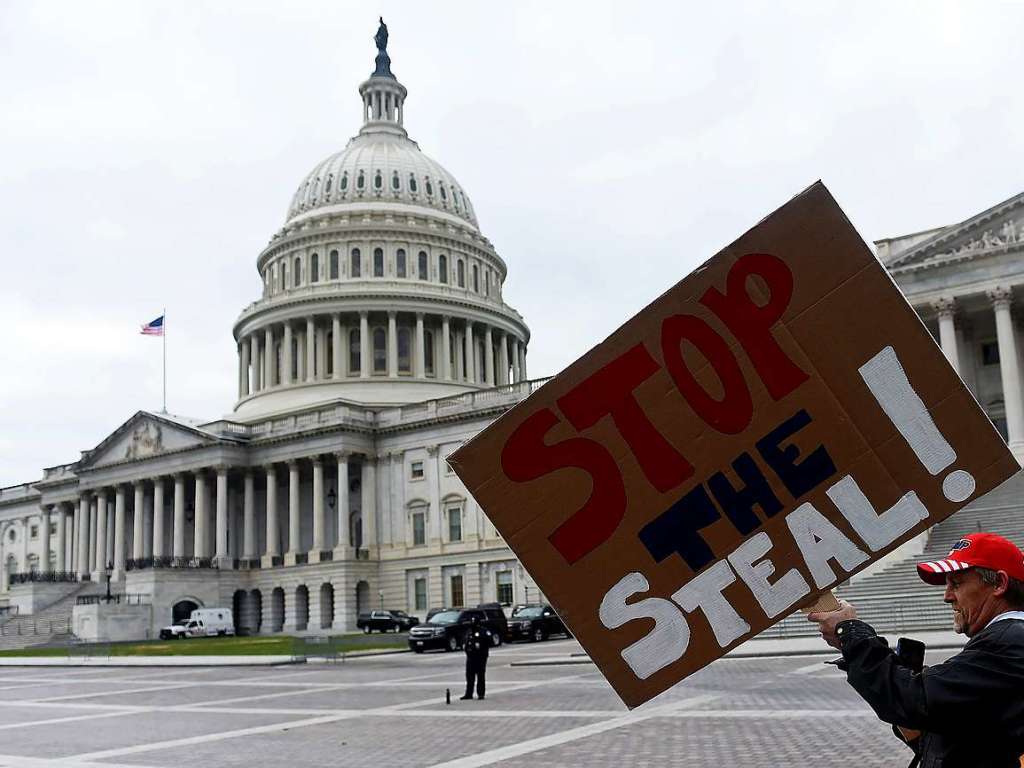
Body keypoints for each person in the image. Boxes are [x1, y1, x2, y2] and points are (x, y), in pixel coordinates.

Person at [809, 532, 1024, 768]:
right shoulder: (1005, 639)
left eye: (957, 583)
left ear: (999, 584)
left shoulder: (1009, 641)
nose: (947, 596)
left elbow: (915, 700)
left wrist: (849, 633)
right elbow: (961, 740)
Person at [461, 614, 492, 700]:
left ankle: (480, 694)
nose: (473, 625)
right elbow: (465, 641)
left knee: (480, 676)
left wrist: (481, 645)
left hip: (480, 657)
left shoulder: (484, 631)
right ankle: (469, 693)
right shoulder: (469, 631)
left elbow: (490, 641)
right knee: (469, 676)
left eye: (475, 623)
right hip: (470, 657)